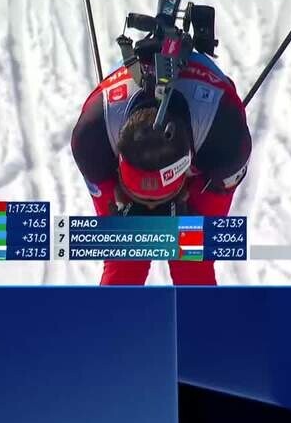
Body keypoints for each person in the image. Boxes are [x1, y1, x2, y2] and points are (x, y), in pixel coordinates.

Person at [70, 51, 252, 286]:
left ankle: (201, 320)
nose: (151, 208)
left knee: (192, 256)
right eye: (140, 197)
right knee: (124, 252)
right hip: (132, 128)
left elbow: (204, 242)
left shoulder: (227, 144)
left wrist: (187, 226)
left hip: (209, 133)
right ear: (117, 167)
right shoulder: (92, 142)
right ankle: (111, 320)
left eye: (162, 199)